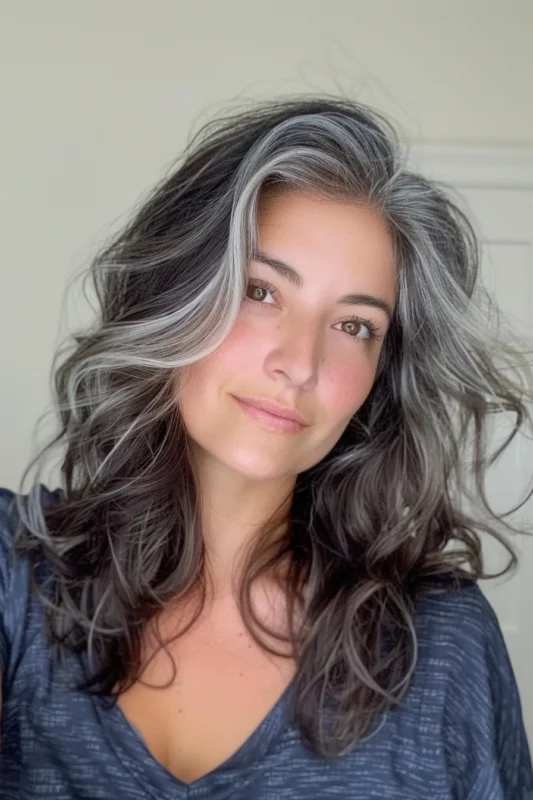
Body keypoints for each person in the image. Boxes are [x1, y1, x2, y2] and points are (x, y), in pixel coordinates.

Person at [1, 95, 533, 799]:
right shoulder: (16, 576)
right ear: (175, 296)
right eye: (261, 290)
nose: (300, 363)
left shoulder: (441, 647)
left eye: (354, 327)